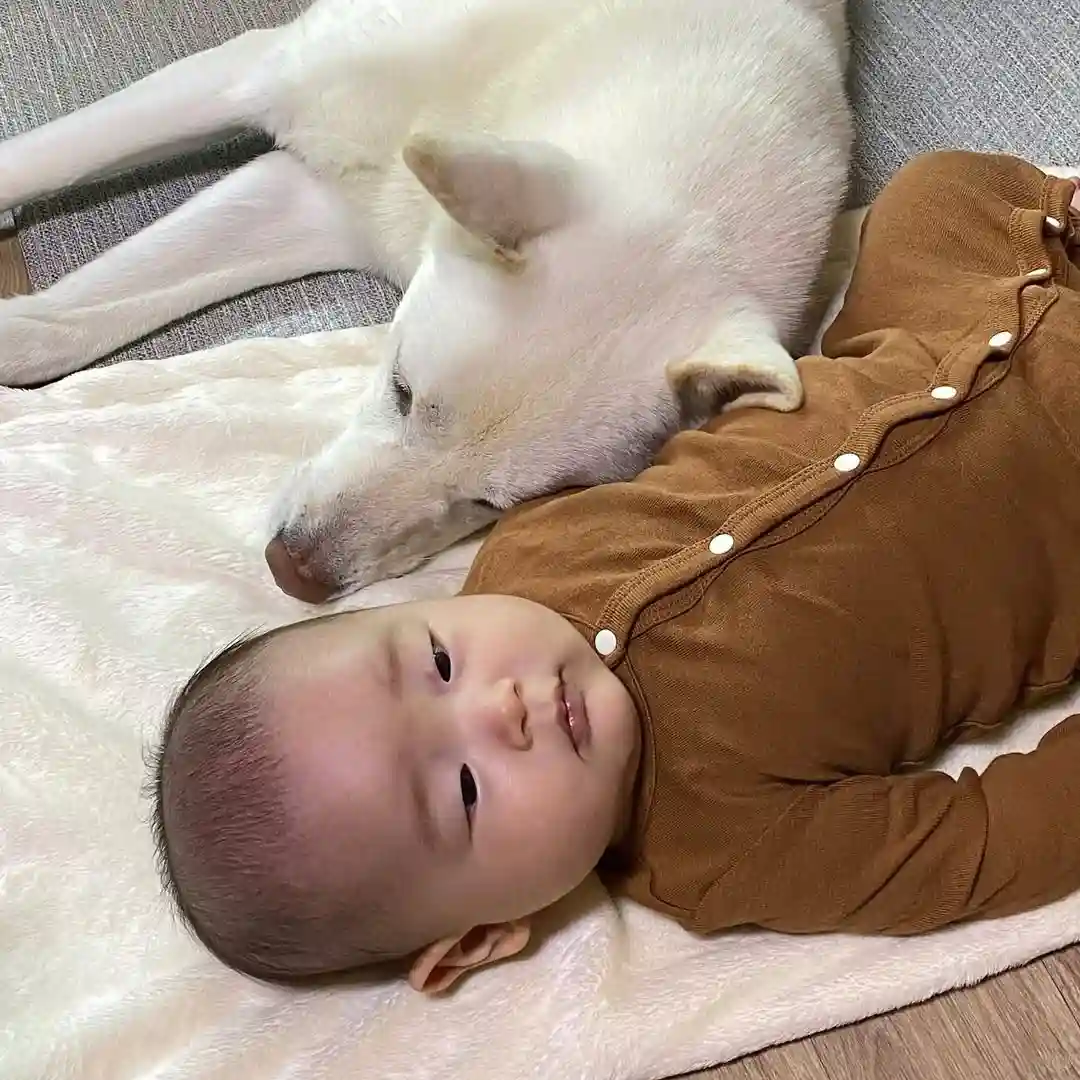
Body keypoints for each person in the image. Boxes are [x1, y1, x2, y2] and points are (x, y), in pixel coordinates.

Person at [151, 151, 1080, 996]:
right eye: (465, 790)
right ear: (482, 937)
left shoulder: (522, 553)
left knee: (933, 196)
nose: (499, 709)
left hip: (924, 332)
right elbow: (982, 842)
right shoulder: (722, 849)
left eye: (437, 662)